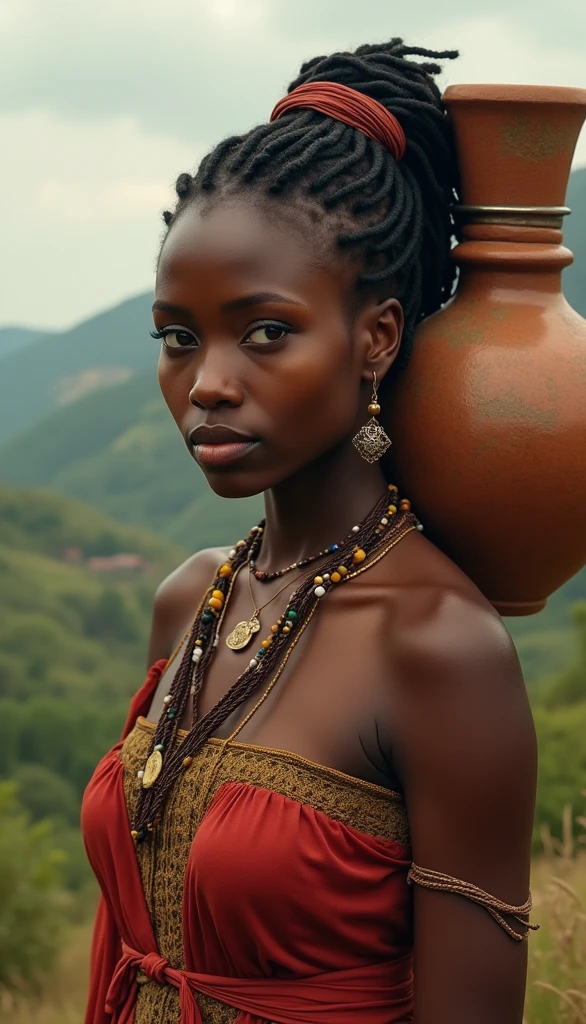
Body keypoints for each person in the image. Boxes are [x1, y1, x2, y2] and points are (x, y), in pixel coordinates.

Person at [81, 39, 538, 1024]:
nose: (205, 382)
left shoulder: (436, 647)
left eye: (265, 332)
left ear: (375, 335)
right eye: (177, 335)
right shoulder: (190, 601)